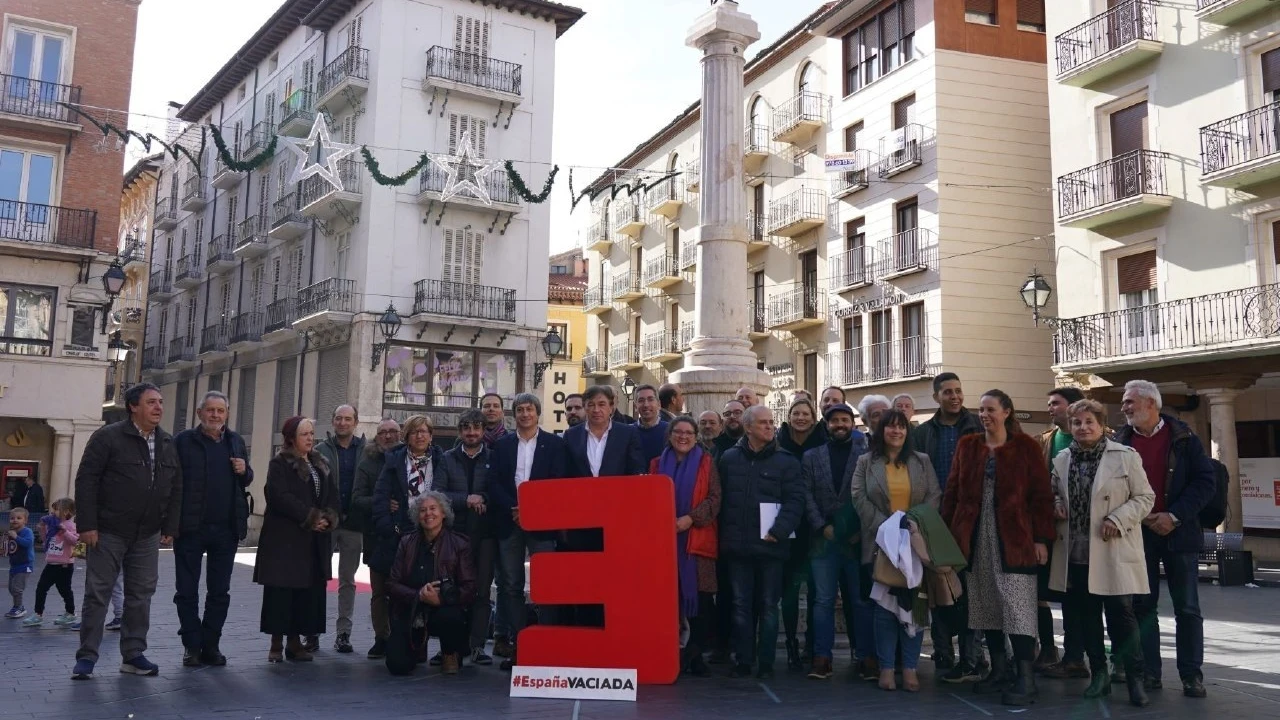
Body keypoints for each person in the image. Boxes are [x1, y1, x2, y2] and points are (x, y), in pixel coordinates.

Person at [941, 390, 1054, 706]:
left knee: (1018, 608)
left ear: (1007, 412)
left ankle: (1026, 678)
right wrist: (949, 538)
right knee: (985, 605)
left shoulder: (1026, 448)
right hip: (976, 539)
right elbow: (952, 492)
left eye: (991, 409)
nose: (985, 415)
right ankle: (999, 669)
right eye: (981, 410)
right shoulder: (968, 447)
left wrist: (1041, 539)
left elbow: (1041, 497)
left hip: (1015, 540)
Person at [72, 383, 182, 680]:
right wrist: (87, 525)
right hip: (108, 531)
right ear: (134, 406)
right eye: (151, 402)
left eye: (160, 402)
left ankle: (133, 655)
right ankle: (86, 658)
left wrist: (170, 526)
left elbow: (175, 488)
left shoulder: (168, 442)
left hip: (146, 533)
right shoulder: (108, 437)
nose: (159, 407)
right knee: (98, 594)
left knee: (141, 594)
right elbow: (86, 481)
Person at [1114, 380, 1216, 699]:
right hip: (1139, 534)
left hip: (1179, 533)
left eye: (1130, 401)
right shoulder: (1121, 441)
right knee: (1143, 606)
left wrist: (1173, 516)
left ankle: (1191, 676)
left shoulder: (1184, 438)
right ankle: (1150, 674)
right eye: (1124, 402)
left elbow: (1205, 482)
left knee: (1187, 607)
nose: (1124, 407)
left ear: (1151, 404)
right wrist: (1142, 516)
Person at [1048, 399, 1152, 707]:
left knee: (1122, 617)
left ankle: (1135, 679)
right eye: (1077, 423)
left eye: (1088, 422)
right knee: (1086, 618)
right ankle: (1099, 676)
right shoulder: (1062, 458)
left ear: (1101, 424)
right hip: (1076, 553)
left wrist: (1118, 518)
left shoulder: (1125, 456)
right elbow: (1053, 491)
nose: (1082, 428)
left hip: (1112, 551)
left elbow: (1145, 497)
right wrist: (1055, 504)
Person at [851, 409, 941, 691]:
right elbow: (858, 495)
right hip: (881, 543)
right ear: (881, 431)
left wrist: (912, 524)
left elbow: (934, 494)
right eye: (890, 427)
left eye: (901, 427)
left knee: (915, 606)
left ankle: (911, 668)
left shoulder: (921, 461)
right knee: (884, 609)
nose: (896, 432)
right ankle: (887, 668)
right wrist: (887, 527)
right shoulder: (866, 462)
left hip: (915, 543)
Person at [717, 405, 805, 680]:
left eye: (771, 422)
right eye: (763, 423)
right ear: (748, 427)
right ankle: (743, 660)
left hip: (772, 547)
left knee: (768, 606)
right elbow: (721, 501)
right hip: (738, 548)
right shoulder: (729, 459)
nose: (770, 426)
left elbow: (795, 501)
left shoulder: (787, 461)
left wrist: (779, 530)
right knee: (741, 606)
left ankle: (766, 663)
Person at [172, 391, 253, 666]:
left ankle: (211, 644)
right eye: (210, 410)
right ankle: (191, 646)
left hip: (226, 529)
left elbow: (246, 481)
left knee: (219, 592)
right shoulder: (183, 442)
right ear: (199, 414)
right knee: (186, 591)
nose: (215, 415)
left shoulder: (235, 441)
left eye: (220, 411)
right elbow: (171, 483)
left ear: (227, 414)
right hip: (190, 530)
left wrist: (245, 470)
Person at [911, 372, 983, 678]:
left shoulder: (978, 426)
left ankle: (972, 657)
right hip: (936, 520)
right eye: (948, 392)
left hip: (973, 520)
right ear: (937, 397)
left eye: (959, 391)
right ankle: (943, 653)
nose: (955, 396)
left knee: (971, 591)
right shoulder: (923, 433)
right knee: (939, 588)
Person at [489, 393, 568, 671]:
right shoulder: (502, 445)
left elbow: (557, 482)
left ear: (538, 413)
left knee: (546, 584)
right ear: (514, 414)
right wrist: (516, 508)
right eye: (520, 410)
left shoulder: (555, 445)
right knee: (510, 584)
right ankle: (519, 643)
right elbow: (494, 482)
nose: (525, 414)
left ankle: (546, 642)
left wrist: (533, 510)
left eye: (530, 409)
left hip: (543, 523)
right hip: (509, 521)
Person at [254, 416, 339, 663]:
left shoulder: (320, 464)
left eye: (312, 434)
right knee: (282, 592)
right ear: (291, 438)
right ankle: (276, 643)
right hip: (285, 540)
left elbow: (331, 495)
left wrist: (328, 518)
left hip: (312, 542)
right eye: (305, 434)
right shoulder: (280, 463)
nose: (310, 438)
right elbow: (279, 496)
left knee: (305, 592)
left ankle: (295, 642)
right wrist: (310, 517)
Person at [563, 385, 646, 627]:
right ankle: (587, 629)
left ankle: (616, 626)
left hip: (616, 521)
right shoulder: (572, 436)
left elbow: (636, 472)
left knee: (616, 577)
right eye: (591, 405)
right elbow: (565, 477)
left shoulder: (627, 434)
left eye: (601, 404)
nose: (596, 409)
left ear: (612, 407)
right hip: (582, 523)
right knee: (586, 578)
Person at [802, 402, 873, 681]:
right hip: (823, 541)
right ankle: (822, 658)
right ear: (827, 425)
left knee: (860, 600)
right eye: (835, 421)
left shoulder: (866, 455)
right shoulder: (811, 456)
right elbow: (805, 494)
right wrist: (821, 526)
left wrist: (859, 530)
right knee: (822, 601)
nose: (840, 425)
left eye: (845, 420)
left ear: (853, 424)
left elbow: (869, 494)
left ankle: (866, 656)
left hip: (856, 541)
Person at [650, 416, 721, 677]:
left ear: (696, 436)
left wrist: (690, 518)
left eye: (689, 432)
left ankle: (695, 654)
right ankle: (673, 653)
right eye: (678, 432)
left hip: (696, 544)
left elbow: (715, 499)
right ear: (669, 435)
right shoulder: (656, 465)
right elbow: (648, 499)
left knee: (701, 603)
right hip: (664, 544)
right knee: (668, 602)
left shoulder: (707, 463)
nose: (683, 436)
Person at [372, 415, 447, 650]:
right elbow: (381, 497)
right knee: (397, 590)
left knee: (426, 587)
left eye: (424, 431)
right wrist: (390, 526)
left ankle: (421, 641)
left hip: (431, 535)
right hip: (400, 535)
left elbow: (445, 493)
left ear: (431, 435)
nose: (420, 435)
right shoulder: (394, 461)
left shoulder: (440, 459)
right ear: (407, 436)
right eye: (415, 432)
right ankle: (393, 640)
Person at [385, 490, 476, 676]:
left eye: (433, 509)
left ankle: (450, 652)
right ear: (417, 517)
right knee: (397, 665)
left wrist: (440, 599)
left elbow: (469, 588)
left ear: (444, 513)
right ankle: (417, 648)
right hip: (412, 608)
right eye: (423, 510)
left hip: (444, 609)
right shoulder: (406, 542)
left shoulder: (460, 544)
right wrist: (419, 595)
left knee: (452, 615)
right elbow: (392, 584)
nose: (429, 514)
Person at [438, 409, 496, 666]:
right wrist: (467, 499)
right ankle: (448, 647)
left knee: (481, 591)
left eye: (476, 428)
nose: (471, 433)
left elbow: (499, 491)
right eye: (466, 428)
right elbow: (439, 493)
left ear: (483, 431)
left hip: (485, 534)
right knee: (450, 591)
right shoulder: (447, 459)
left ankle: (477, 646)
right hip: (453, 535)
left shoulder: (495, 458)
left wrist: (484, 498)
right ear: (460, 432)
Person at [1035, 386, 1086, 677]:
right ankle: (1050, 650)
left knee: (1078, 596)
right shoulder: (1045, 441)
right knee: (1045, 591)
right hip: (1050, 530)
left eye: (1056, 403)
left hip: (1083, 533)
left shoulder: (1102, 438)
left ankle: (1079, 657)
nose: (1051, 408)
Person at [776, 398, 826, 670]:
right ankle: (791, 642)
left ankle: (812, 643)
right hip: (788, 525)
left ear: (813, 417)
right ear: (789, 416)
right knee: (790, 590)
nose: (800, 417)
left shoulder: (823, 442)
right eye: (796, 413)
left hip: (815, 526)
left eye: (806, 413)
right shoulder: (778, 442)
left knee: (818, 590)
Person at [316, 404, 365, 655]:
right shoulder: (320, 450)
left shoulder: (367, 451)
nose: (343, 423)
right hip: (327, 523)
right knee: (317, 577)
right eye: (338, 418)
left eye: (348, 419)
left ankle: (343, 633)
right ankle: (311, 632)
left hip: (354, 524)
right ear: (333, 422)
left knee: (347, 580)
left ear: (355, 422)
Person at [351, 417, 400, 660]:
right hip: (377, 536)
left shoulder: (407, 458)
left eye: (393, 432)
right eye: (383, 432)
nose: (388, 436)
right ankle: (381, 637)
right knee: (379, 592)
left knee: (404, 591)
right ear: (377, 435)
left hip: (405, 537)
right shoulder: (367, 461)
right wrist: (381, 503)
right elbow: (357, 498)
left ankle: (403, 637)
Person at [23, 499, 78, 627]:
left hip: (64, 565)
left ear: (67, 512)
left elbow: (75, 541)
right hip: (51, 563)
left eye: (56, 509)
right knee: (41, 588)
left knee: (65, 590)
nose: (53, 512)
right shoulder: (53, 524)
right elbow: (46, 541)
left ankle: (70, 613)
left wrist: (65, 532)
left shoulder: (70, 525)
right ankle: (38, 614)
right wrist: (42, 528)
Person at [5, 507, 34, 619]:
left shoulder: (27, 531)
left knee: (17, 588)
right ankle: (18, 606)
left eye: (19, 518)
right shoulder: (11, 532)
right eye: (12, 518)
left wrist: (16, 537)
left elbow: (28, 543)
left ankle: (19, 607)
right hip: (14, 564)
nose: (15, 520)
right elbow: (11, 547)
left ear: (25, 520)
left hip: (25, 564)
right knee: (11, 588)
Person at [633, 384, 670, 463]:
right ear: (635, 406)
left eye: (650, 399)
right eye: (641, 400)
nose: (646, 404)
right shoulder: (627, 432)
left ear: (659, 404)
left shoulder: (670, 431)